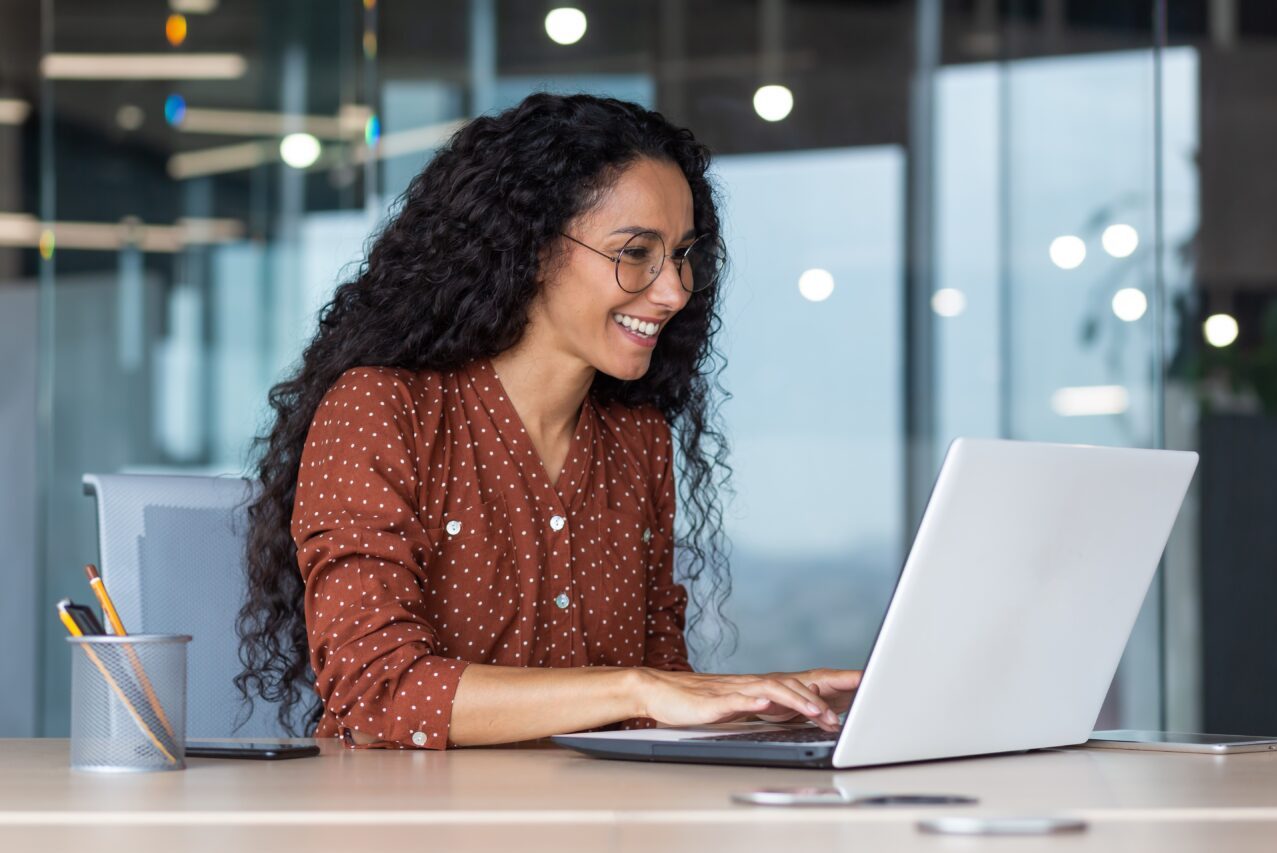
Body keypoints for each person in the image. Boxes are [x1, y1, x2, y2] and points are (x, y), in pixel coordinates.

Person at [235, 92, 861, 749]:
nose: (674, 289)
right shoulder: (382, 410)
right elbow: (379, 692)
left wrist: (763, 704)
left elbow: (654, 706)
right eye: (636, 252)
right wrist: (636, 687)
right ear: (531, 248)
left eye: (681, 255)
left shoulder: (638, 442)